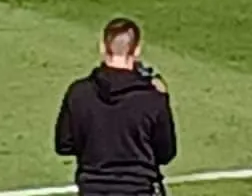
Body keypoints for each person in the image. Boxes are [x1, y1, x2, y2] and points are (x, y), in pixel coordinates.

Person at [55, 19, 176, 196]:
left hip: (92, 190)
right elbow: (166, 153)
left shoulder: (79, 93)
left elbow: (64, 144)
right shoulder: (152, 98)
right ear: (137, 50)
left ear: (103, 47)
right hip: (137, 189)